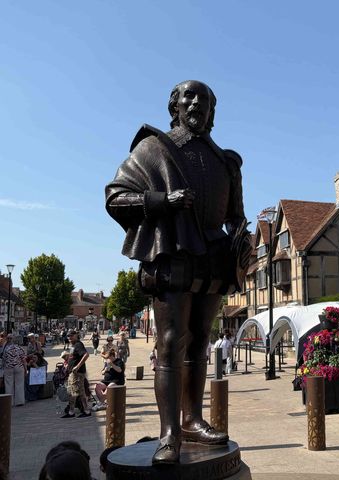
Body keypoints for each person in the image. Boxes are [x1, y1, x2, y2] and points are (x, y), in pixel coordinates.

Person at [105, 80, 252, 464]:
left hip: (213, 258)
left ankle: (192, 419)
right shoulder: (153, 149)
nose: (197, 103)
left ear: (213, 111)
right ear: (175, 106)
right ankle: (169, 433)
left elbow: (235, 216)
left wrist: (243, 241)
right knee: (171, 342)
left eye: (205, 100)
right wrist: (162, 201)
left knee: (201, 341)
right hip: (172, 253)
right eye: (190, 96)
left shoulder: (226, 162)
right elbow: (115, 197)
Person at [62, 330, 91, 418]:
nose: (69, 337)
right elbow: (74, 357)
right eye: (68, 336)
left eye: (71, 335)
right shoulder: (73, 345)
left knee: (79, 392)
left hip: (77, 373)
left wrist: (77, 366)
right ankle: (72, 411)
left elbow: (86, 355)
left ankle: (85, 411)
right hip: (73, 372)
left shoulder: (78, 344)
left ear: (76, 335)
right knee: (73, 392)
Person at [2, 333, 27, 406]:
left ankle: (9, 402)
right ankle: (19, 401)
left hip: (8, 367)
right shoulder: (20, 348)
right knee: (19, 384)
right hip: (18, 367)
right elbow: (23, 360)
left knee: (9, 384)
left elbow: (4, 360)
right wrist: (25, 369)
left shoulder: (6, 349)